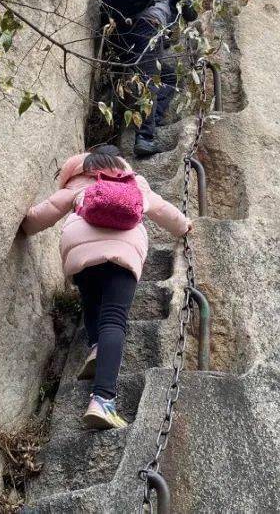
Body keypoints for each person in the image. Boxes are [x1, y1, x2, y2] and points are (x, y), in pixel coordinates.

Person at [21, 144, 193, 430]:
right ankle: (103, 400)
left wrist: (22, 227)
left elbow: (46, 212)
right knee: (114, 318)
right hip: (123, 248)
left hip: (79, 248)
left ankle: (97, 346)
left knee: (91, 297)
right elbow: (164, 211)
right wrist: (185, 226)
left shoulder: (80, 182)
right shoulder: (134, 182)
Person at [102, 0, 197, 158]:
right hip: (148, 26)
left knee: (167, 76)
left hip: (119, 32)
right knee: (151, 79)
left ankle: (137, 118)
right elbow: (191, 13)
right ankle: (145, 137)